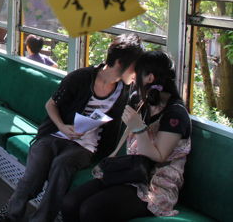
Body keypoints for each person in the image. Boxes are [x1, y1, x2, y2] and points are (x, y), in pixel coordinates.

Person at [0, 34, 144, 222]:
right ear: (120, 62)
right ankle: (9, 215)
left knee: (62, 165)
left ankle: (41, 219)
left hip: (85, 146)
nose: (136, 72)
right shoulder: (80, 77)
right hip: (55, 134)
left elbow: (144, 104)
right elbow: (51, 104)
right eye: (134, 67)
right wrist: (63, 127)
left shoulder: (126, 92)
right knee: (36, 168)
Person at [61, 51, 192, 222]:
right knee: (69, 203)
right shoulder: (141, 101)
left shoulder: (175, 114)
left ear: (150, 78)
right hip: (129, 173)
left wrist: (139, 130)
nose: (133, 78)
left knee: (91, 210)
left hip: (155, 185)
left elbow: (159, 156)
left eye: (137, 73)